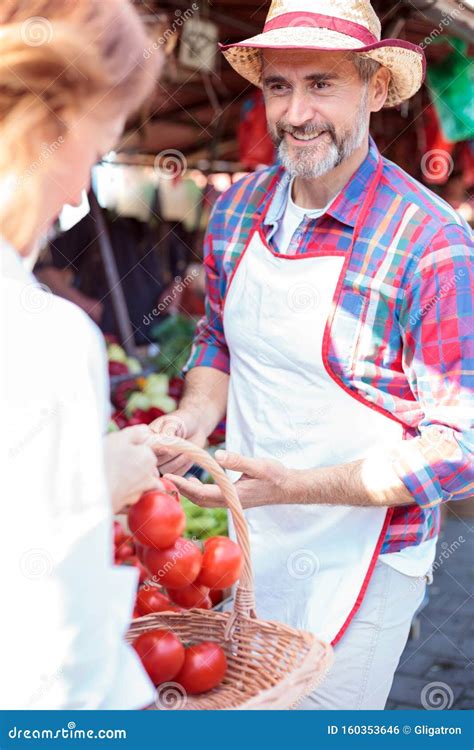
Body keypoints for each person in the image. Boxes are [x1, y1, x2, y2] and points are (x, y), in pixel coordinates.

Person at [152, 0, 474, 710]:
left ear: (377, 88)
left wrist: (295, 486)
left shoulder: (432, 243)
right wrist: (192, 418)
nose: (296, 112)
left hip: (368, 557)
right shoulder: (237, 210)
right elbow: (217, 339)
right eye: (278, 85)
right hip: (253, 537)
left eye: (321, 84)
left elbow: (458, 452)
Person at [1, 0, 163, 708]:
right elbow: (56, 674)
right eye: (92, 157)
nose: (74, 198)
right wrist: (93, 486)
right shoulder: (46, 341)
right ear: (48, 128)